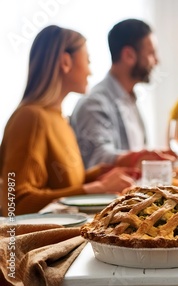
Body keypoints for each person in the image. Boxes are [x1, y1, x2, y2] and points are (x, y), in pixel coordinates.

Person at [0, 25, 136, 216]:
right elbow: (16, 204)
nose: (90, 71)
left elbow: (64, 183)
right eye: (87, 60)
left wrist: (105, 172)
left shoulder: (59, 118)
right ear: (65, 62)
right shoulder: (31, 118)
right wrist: (96, 188)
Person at [71, 19, 172, 169]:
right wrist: (141, 156)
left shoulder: (130, 98)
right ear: (128, 55)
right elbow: (97, 158)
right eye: (151, 53)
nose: (156, 61)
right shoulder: (94, 103)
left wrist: (153, 156)